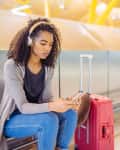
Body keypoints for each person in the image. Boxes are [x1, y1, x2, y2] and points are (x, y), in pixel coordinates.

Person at [0, 17, 79, 150]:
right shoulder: (12, 66)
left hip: (35, 114)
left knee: (70, 112)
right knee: (49, 120)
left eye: (50, 44)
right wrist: (53, 105)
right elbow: (23, 106)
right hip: (12, 119)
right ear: (30, 41)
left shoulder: (48, 68)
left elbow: (46, 100)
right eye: (43, 43)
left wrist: (63, 103)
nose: (47, 48)